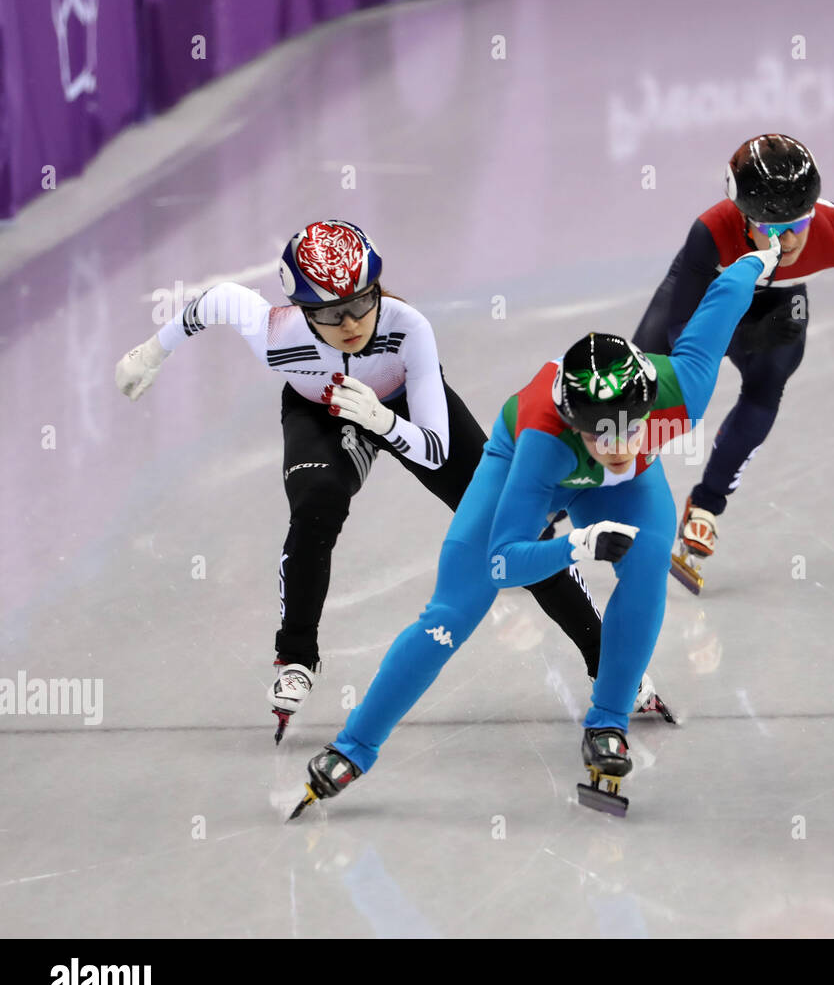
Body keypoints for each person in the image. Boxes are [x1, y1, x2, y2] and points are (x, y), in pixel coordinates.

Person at [288, 233, 784, 819]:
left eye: (634, 429)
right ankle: (354, 746)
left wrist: (761, 255)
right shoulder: (543, 442)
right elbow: (503, 561)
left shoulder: (684, 390)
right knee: (451, 615)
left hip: (619, 493)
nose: (621, 446)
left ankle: (608, 723)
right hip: (531, 469)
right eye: (604, 434)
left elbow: (723, 297)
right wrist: (577, 543)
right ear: (576, 424)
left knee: (648, 564)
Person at [113, 219, 605, 742]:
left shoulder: (407, 327)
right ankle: (296, 655)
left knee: (513, 530)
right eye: (329, 312)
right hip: (321, 414)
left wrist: (383, 421)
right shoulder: (274, 333)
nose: (350, 322)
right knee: (315, 505)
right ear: (303, 310)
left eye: (361, 301)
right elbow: (212, 301)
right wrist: (151, 352)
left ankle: (608, 660)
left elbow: (435, 449)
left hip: (403, 410)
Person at [632, 82, 834, 592]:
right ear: (742, 217)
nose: (789, 239)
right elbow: (683, 336)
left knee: (766, 387)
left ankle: (707, 505)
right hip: (711, 289)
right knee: (638, 386)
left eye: (799, 221)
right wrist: (746, 333)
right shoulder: (710, 232)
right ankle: (562, 496)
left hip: (779, 297)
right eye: (770, 226)